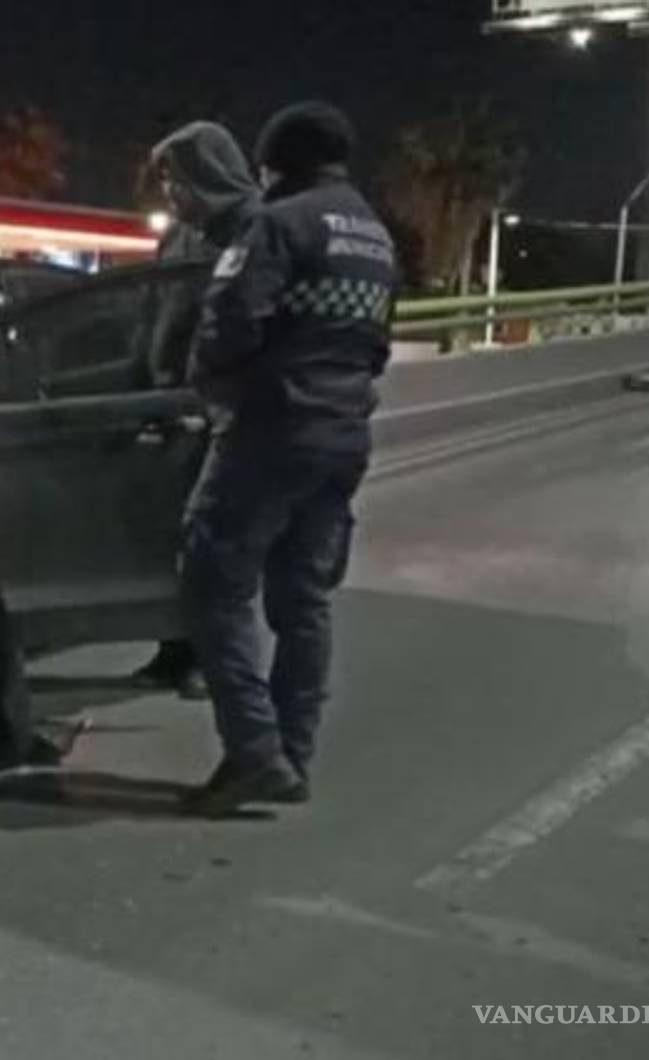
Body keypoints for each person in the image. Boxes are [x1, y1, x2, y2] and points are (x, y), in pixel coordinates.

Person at [177, 102, 398, 816]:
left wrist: (217, 389)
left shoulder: (279, 223)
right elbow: (378, 345)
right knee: (304, 602)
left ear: (278, 162)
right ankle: (292, 756)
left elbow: (229, 323)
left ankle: (255, 753)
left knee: (213, 584)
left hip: (272, 429)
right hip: (345, 433)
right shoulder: (374, 236)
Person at [133, 121, 263, 701]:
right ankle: (174, 645)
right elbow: (151, 310)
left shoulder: (255, 231)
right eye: (165, 182)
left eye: (177, 180)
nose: (170, 194)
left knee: (218, 546)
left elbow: (250, 328)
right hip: (167, 407)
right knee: (167, 537)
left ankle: (216, 661)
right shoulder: (180, 235)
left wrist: (219, 404)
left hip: (217, 415)